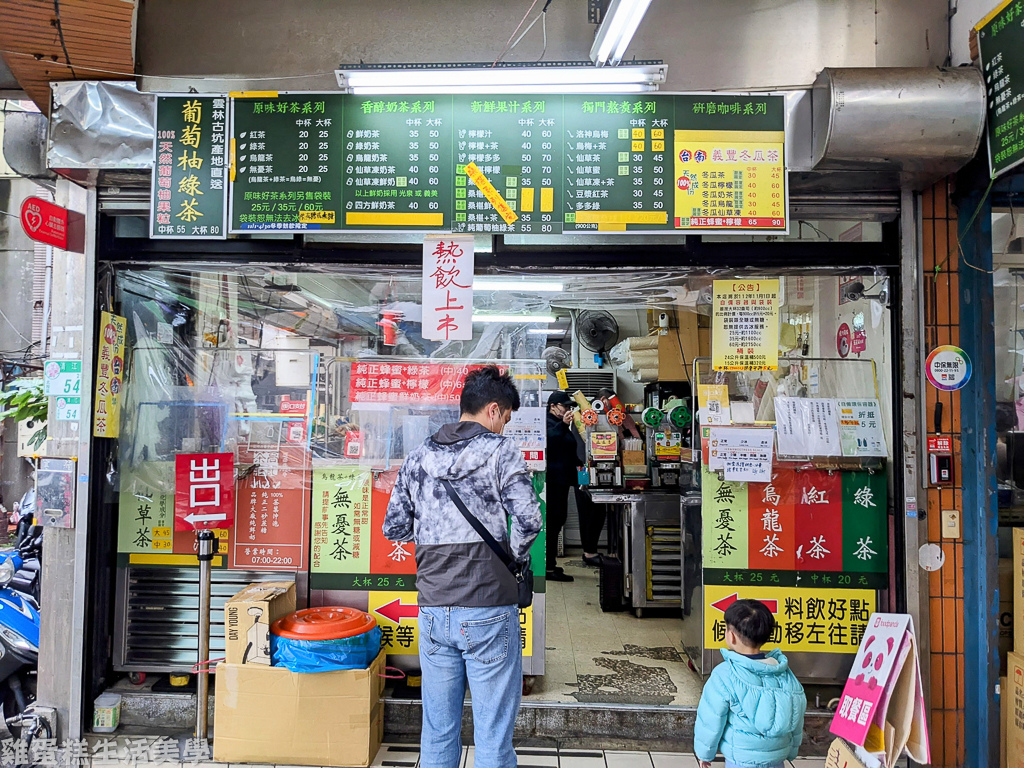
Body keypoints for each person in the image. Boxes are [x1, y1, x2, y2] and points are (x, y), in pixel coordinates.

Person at [383, 366, 542, 768]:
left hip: (435, 607)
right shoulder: (500, 451)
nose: (504, 427)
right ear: (493, 410)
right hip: (488, 604)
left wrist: (435, 532)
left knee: (438, 730)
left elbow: (394, 526)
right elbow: (529, 520)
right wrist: (514, 559)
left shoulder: (419, 456)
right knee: (492, 732)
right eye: (505, 418)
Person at [693, 599, 806, 768]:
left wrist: (705, 754)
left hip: (740, 760)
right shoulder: (786, 675)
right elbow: (796, 719)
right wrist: (791, 751)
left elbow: (711, 720)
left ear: (731, 636)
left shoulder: (724, 675)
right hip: (777, 760)